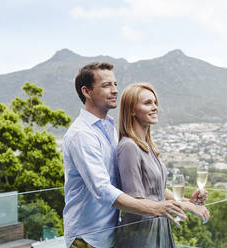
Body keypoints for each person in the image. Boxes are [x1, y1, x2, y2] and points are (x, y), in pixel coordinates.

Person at [62, 62, 188, 248]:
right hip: (88, 238)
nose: (114, 91)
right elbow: (103, 190)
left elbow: (129, 182)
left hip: (112, 234)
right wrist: (156, 207)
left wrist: (181, 202)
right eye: (106, 85)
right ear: (86, 92)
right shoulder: (81, 135)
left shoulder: (109, 130)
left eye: (115, 84)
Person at [115, 83, 210, 247]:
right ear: (131, 110)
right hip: (140, 232)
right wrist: (184, 205)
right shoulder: (129, 147)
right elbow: (135, 200)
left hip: (158, 226)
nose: (154, 107)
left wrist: (188, 201)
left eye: (155, 102)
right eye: (147, 103)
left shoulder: (147, 146)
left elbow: (156, 191)